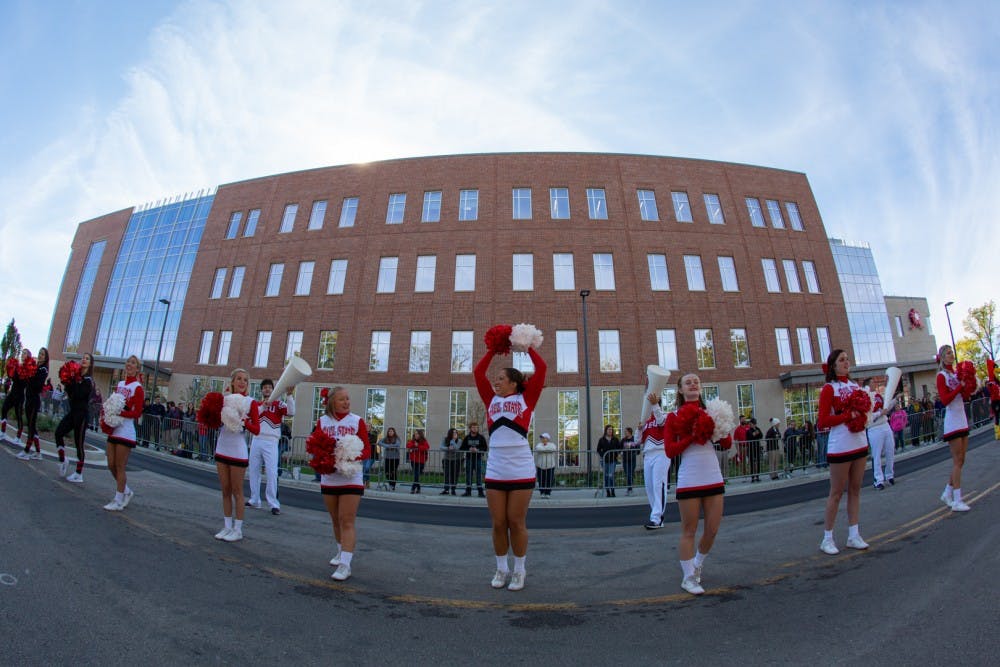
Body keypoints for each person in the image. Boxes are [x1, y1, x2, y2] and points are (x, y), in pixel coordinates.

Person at [474, 335, 546, 592]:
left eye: (501, 378)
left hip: (520, 468)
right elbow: (477, 372)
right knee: (498, 523)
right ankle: (501, 568)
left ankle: (519, 570)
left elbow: (543, 369)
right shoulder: (490, 399)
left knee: (516, 521)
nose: (496, 381)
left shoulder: (527, 399)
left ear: (514, 383)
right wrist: (493, 350)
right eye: (496, 378)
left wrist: (526, 348)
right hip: (496, 467)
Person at [663, 373, 733, 595]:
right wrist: (692, 435)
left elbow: (727, 443)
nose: (693, 384)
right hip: (690, 477)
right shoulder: (673, 416)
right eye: (688, 382)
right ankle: (688, 578)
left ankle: (698, 564)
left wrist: (719, 426)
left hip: (712, 475)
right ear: (681, 390)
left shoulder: (711, 411)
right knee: (689, 530)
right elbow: (670, 451)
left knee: (712, 529)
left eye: (696, 381)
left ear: (700, 388)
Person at [312, 386, 370, 581]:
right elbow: (316, 445)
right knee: (335, 519)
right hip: (330, 477)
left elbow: (367, 451)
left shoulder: (357, 421)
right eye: (341, 399)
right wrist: (322, 458)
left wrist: (349, 456)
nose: (346, 402)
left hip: (350, 477)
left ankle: (346, 564)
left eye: (347, 399)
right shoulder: (322, 421)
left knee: (347, 520)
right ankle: (340, 551)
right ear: (332, 402)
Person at [816, 349, 871, 555]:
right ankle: (827, 538)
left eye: (847, 359)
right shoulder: (829, 389)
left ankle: (854, 534)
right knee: (836, 493)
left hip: (859, 442)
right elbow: (823, 421)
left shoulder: (854, 386)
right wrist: (848, 415)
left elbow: (864, 411)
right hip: (840, 445)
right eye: (841, 360)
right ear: (833, 365)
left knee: (855, 490)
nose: (846, 362)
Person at [212, 368, 260, 542]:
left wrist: (244, 420)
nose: (242, 382)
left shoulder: (250, 402)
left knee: (237, 491)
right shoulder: (223, 400)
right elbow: (214, 421)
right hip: (222, 448)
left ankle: (238, 529)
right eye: (239, 379)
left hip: (238, 451)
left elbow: (257, 430)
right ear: (232, 381)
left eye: (245, 380)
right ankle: (227, 526)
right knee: (225, 490)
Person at [101, 355, 145, 511]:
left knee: (120, 466)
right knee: (110, 464)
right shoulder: (119, 384)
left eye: (133, 363)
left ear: (137, 368)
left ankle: (118, 500)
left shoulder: (138, 388)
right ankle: (126, 491)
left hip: (125, 431)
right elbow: (112, 403)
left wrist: (119, 414)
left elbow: (137, 412)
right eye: (128, 362)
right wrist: (108, 413)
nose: (129, 365)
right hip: (114, 429)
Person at [247, 378, 294, 515]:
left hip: (271, 441)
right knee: (254, 470)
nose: (267, 389)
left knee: (271, 472)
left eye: (269, 387)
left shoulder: (279, 404)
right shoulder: (256, 404)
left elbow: (291, 412)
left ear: (273, 390)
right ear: (261, 390)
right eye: (265, 387)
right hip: (256, 439)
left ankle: (273, 503)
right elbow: (251, 417)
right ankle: (254, 499)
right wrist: (264, 406)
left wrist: (290, 395)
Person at [936, 345, 973, 512]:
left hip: (962, 418)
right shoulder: (941, 376)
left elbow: (963, 395)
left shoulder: (957, 374)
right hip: (952, 421)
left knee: (962, 460)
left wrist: (968, 388)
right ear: (943, 357)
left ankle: (947, 492)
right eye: (948, 353)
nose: (952, 355)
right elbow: (945, 400)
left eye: (952, 352)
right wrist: (959, 387)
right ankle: (957, 500)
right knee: (957, 461)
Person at [54, 353, 94, 482]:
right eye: (83, 357)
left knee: (79, 444)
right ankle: (63, 460)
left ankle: (78, 474)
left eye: (87, 358)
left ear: (90, 363)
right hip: (73, 412)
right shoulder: (76, 376)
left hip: (82, 415)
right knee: (58, 432)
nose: (84, 359)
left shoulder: (88, 380)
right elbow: (70, 393)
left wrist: (71, 382)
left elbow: (78, 394)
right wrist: (68, 380)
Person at [639, 391, 669, 529]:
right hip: (648, 455)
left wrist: (655, 404)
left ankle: (656, 518)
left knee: (658, 485)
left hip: (661, 453)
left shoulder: (665, 416)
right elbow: (637, 441)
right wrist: (638, 430)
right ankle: (656, 517)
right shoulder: (646, 422)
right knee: (649, 487)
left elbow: (662, 422)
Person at [16, 347, 48, 460]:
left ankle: (26, 451)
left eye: (43, 354)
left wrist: (31, 376)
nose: (40, 355)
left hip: (34, 400)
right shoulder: (36, 366)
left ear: (46, 357)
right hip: (29, 398)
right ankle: (38, 453)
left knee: (30, 426)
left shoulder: (43, 369)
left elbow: (38, 385)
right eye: (39, 353)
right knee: (32, 427)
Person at [865, 378, 896, 490]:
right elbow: (867, 417)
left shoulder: (878, 396)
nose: (875, 383)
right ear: (867, 385)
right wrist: (879, 413)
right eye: (872, 382)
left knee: (890, 450)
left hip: (885, 425)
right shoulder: (865, 397)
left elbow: (886, 408)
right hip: (874, 428)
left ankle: (890, 475)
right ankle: (878, 480)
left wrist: (895, 399)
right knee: (876, 454)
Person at [2, 350, 28, 443]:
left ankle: (18, 437)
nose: (22, 355)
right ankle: (3, 432)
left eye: (24, 353)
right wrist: (10, 371)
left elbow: (24, 383)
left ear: (28, 356)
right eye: (22, 353)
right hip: (12, 393)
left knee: (18, 417)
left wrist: (16, 375)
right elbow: (12, 377)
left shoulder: (28, 368)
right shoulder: (19, 366)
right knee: (4, 409)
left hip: (20, 396)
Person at [460, 422, 488, 497]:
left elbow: (485, 447)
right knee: (468, 475)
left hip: (478, 459)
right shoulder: (467, 437)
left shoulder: (481, 437)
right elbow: (462, 447)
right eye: (473, 427)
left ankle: (480, 492)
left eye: (476, 427)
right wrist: (469, 448)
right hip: (469, 459)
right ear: (470, 428)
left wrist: (478, 449)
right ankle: (468, 492)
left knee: (479, 475)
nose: (475, 429)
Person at [597, 424, 620, 497]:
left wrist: (616, 453)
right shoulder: (602, 439)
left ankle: (613, 490)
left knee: (611, 475)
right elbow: (598, 449)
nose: (610, 431)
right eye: (609, 429)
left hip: (613, 460)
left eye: (611, 429)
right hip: (604, 461)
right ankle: (608, 491)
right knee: (606, 476)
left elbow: (619, 448)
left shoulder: (615, 439)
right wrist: (603, 455)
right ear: (606, 430)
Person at [533, 432, 557, 497]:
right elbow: (538, 449)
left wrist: (544, 450)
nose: (543, 439)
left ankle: (548, 493)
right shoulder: (539, 444)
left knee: (549, 479)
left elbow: (553, 449)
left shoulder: (552, 444)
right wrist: (547, 450)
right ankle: (542, 493)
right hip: (540, 465)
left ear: (547, 439)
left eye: (544, 438)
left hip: (550, 465)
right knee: (541, 479)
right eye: (542, 438)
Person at [406, 429, 429, 493]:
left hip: (421, 461)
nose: (415, 435)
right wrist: (414, 445)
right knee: (416, 474)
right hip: (413, 460)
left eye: (417, 433)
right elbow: (408, 445)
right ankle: (417, 488)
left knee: (417, 474)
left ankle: (414, 487)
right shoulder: (413, 441)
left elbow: (426, 447)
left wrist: (418, 446)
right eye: (415, 433)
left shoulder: (424, 441)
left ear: (420, 434)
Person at [440, 427, 462, 495]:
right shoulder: (445, 439)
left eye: (456, 432)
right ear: (450, 433)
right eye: (453, 432)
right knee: (447, 474)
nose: (455, 434)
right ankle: (446, 489)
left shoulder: (459, 440)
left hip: (456, 460)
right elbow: (441, 447)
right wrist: (448, 448)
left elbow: (457, 448)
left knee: (454, 475)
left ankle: (453, 489)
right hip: (447, 459)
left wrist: (453, 441)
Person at [620, 426, 638, 495]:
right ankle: (629, 489)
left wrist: (635, 452)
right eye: (625, 432)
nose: (625, 433)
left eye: (626, 432)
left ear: (630, 432)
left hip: (632, 459)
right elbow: (619, 447)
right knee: (628, 474)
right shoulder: (623, 440)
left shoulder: (634, 439)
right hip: (625, 460)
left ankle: (630, 489)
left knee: (631, 474)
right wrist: (620, 452)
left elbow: (638, 448)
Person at [745, 418, 763, 482]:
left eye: (755, 424)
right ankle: (752, 477)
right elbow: (750, 436)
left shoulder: (758, 429)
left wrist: (756, 433)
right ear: (750, 424)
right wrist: (755, 433)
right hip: (751, 448)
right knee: (752, 462)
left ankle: (757, 476)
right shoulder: (748, 430)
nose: (754, 425)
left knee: (758, 462)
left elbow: (761, 435)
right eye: (753, 424)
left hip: (757, 447)